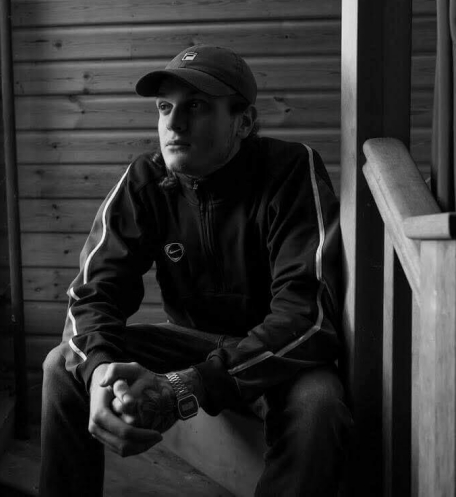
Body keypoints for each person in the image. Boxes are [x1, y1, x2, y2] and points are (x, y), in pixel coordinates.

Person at [40, 44, 353, 497]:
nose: (174, 123)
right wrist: (101, 372)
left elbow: (307, 316)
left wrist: (189, 386)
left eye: (197, 106)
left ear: (244, 122)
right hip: (186, 340)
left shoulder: (288, 170)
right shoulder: (146, 179)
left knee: (319, 402)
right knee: (63, 364)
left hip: (270, 351)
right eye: (165, 107)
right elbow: (93, 293)